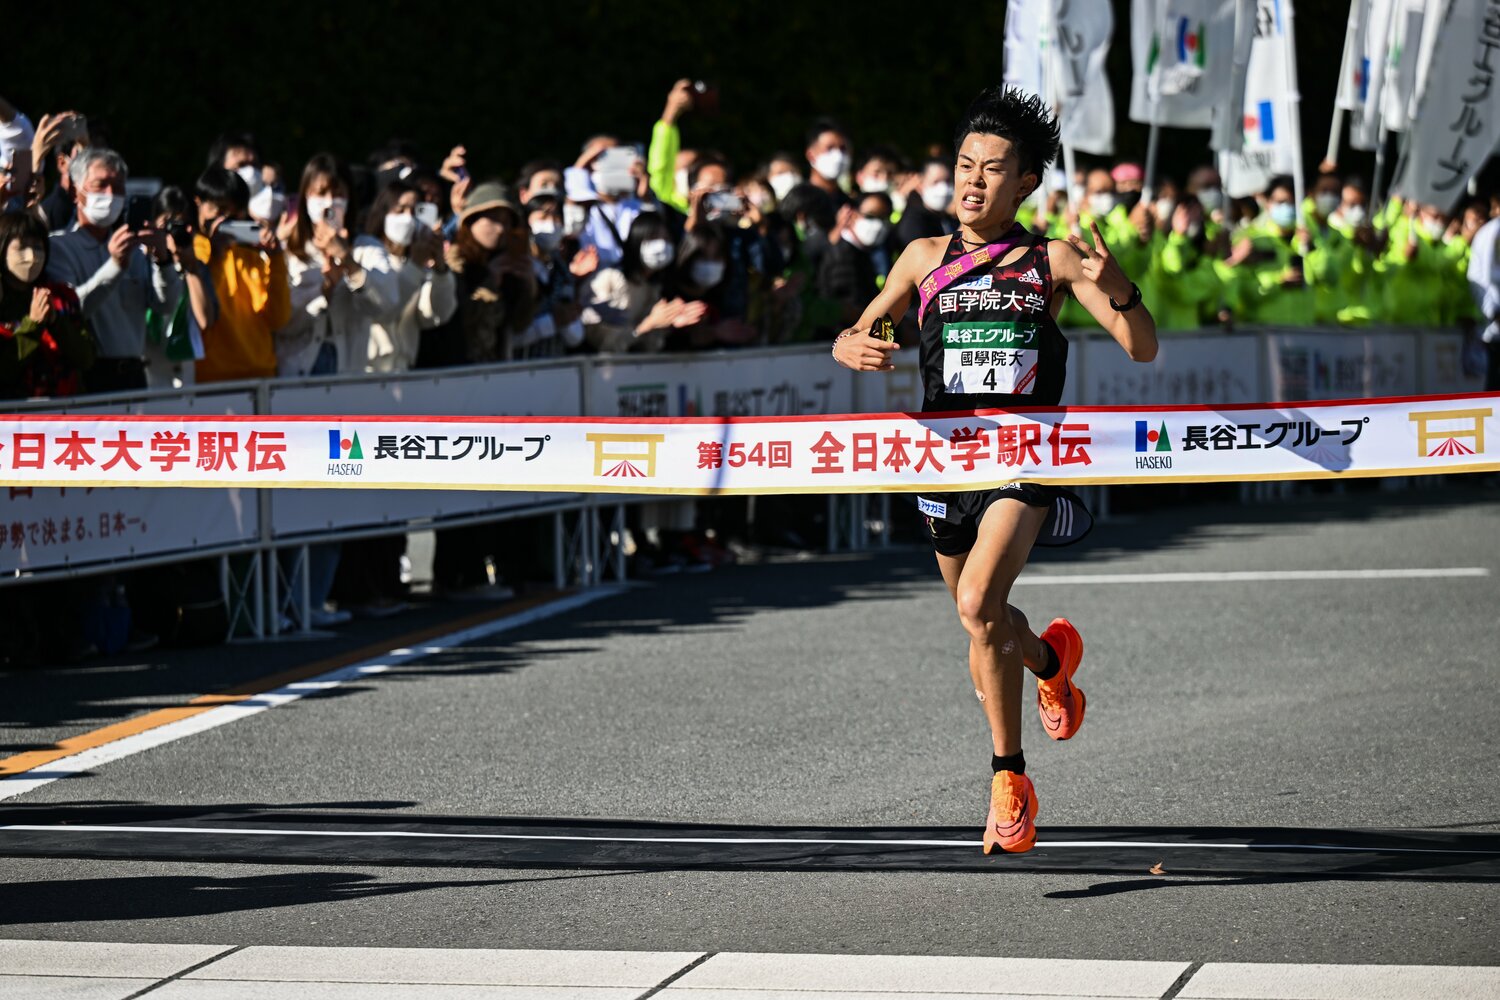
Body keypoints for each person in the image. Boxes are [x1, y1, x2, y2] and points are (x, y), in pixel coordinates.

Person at [831, 86, 1157, 854]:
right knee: (983, 622)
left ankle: (1009, 778)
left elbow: (1141, 345)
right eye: (964, 165)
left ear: (1025, 185)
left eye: (992, 169)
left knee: (979, 601)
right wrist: (851, 342)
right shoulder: (922, 258)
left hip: (1024, 458)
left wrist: (1121, 290)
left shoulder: (1054, 260)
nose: (971, 181)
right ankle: (1051, 660)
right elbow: (867, 324)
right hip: (943, 462)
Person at [44, 147, 192, 392]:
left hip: (134, 374)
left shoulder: (134, 248)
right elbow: (72, 311)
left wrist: (163, 262)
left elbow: (164, 305)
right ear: (75, 192)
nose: (110, 195)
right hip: (89, 375)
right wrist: (114, 266)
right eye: (100, 185)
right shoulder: (59, 247)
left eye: (119, 187)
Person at [0, 209, 95, 398]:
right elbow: (4, 371)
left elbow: (86, 358)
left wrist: (55, 321)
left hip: (62, 417)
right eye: (21, 247)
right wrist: (33, 324)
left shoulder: (61, 297)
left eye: (38, 247)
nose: (32, 256)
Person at [896, 157, 958, 245]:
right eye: (935, 182)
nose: (943, 188)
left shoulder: (946, 217)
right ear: (920, 185)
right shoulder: (913, 224)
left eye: (948, 181)